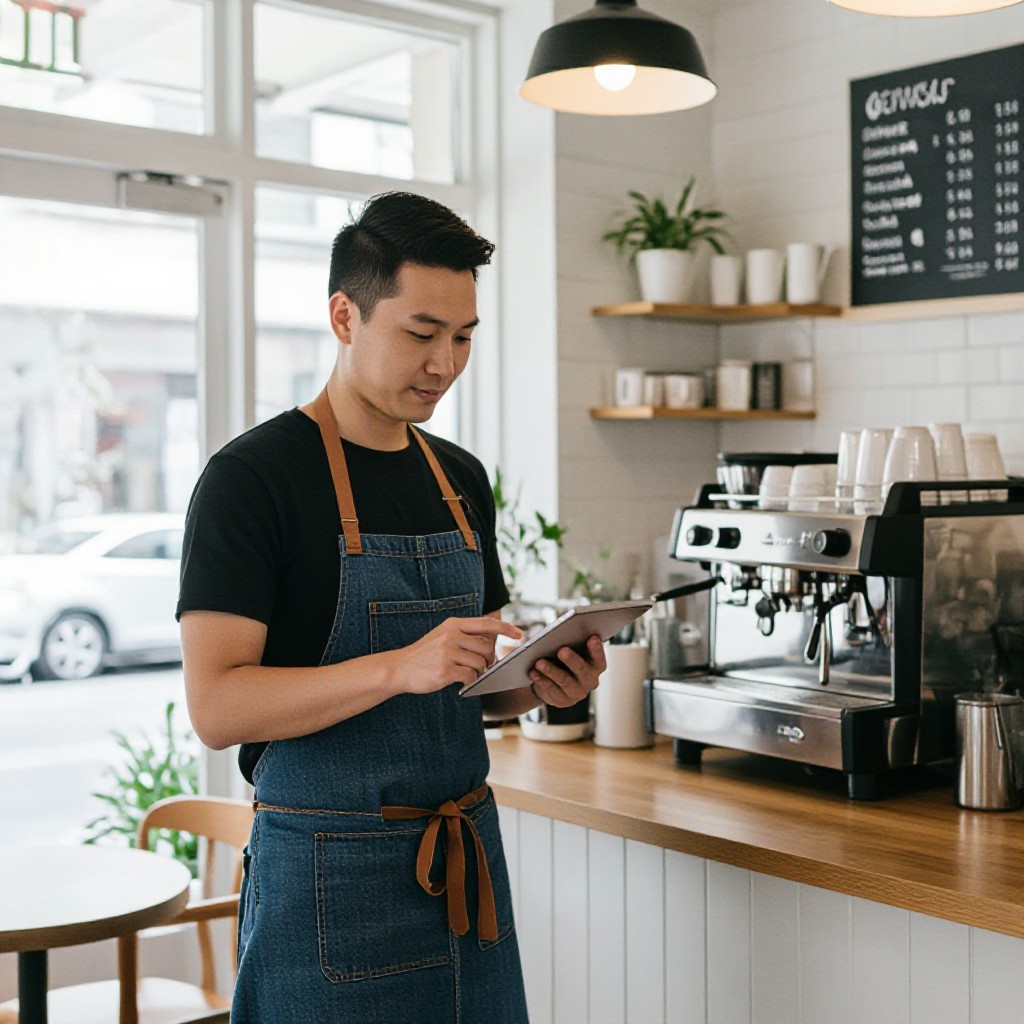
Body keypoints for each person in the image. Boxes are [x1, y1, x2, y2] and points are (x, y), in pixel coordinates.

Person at [176, 191, 605, 1023]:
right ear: (345, 315)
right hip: (326, 885)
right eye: (420, 334)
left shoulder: (459, 480)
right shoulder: (252, 480)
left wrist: (543, 684)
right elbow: (218, 705)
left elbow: (473, 683)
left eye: (464, 337)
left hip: (466, 866)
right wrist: (395, 667)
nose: (444, 363)